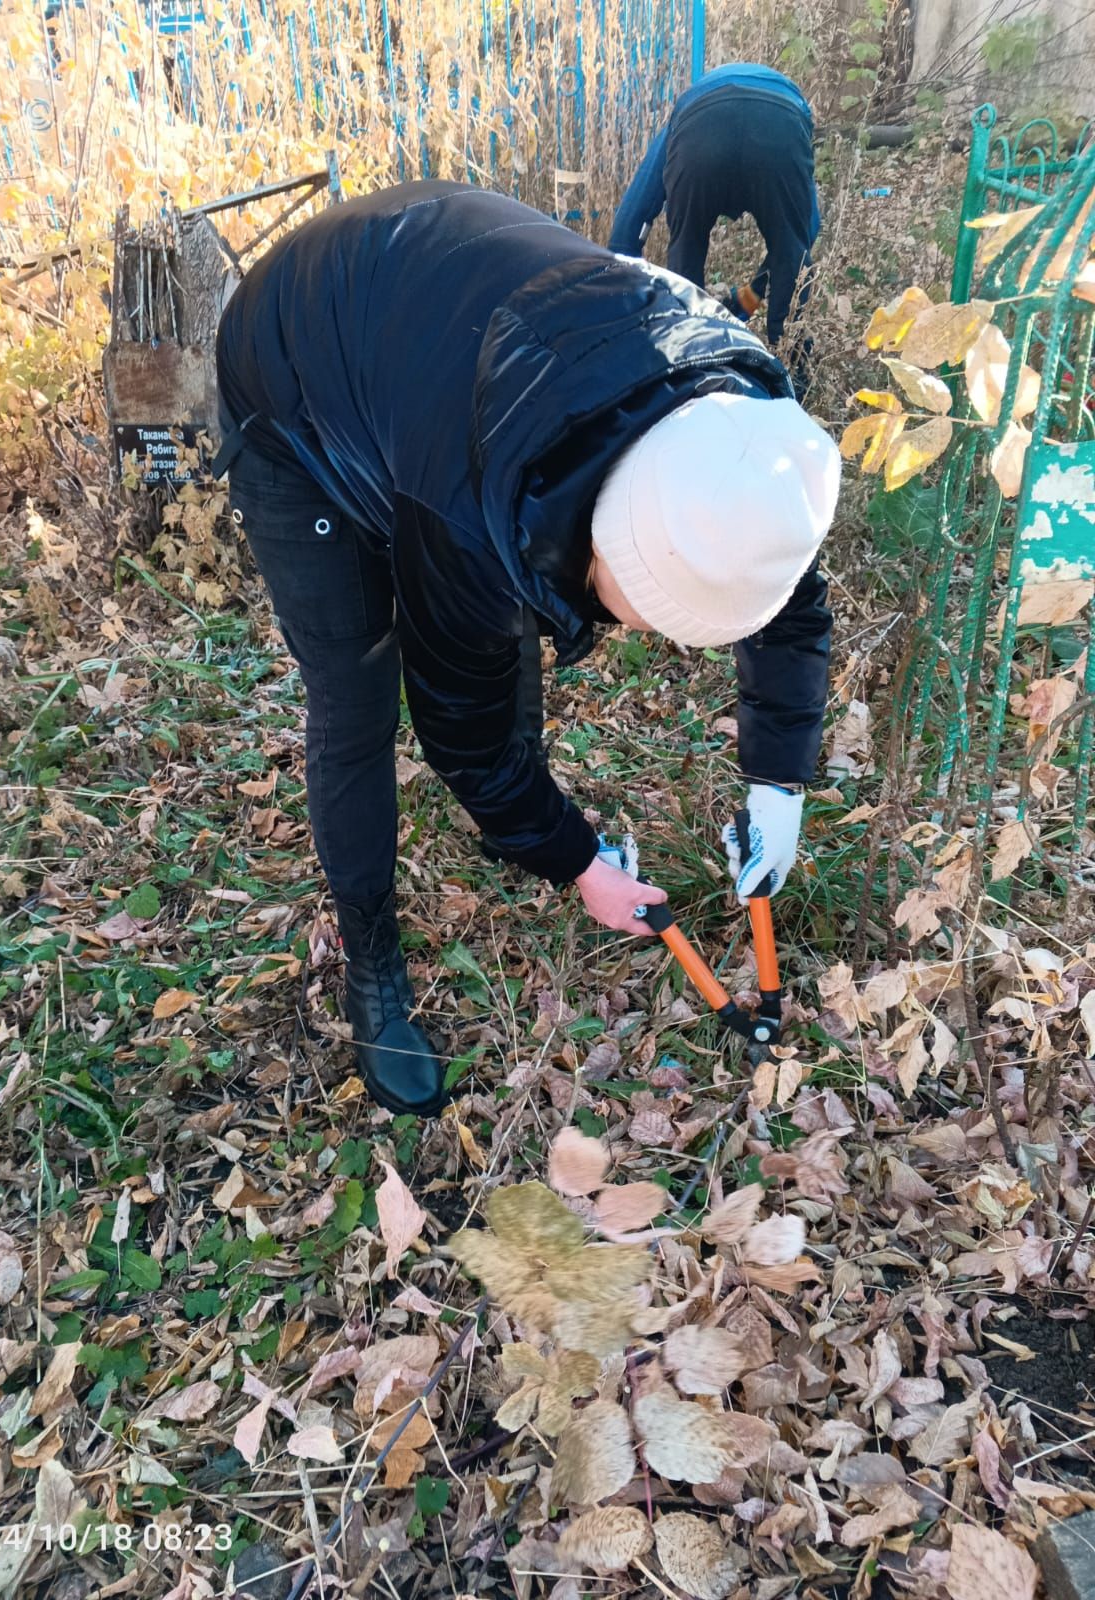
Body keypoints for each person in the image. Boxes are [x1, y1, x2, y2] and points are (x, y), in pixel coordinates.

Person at [214, 180, 839, 1119]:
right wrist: (585, 866)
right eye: (637, 606)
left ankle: (528, 827)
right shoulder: (471, 511)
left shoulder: (742, 435)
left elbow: (781, 595)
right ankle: (371, 954)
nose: (635, 630)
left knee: (503, 607)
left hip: (432, 348)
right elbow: (457, 728)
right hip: (295, 374)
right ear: (602, 535)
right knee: (357, 693)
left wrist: (777, 784)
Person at [609, 63, 820, 385]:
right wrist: (760, 290)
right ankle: (793, 385)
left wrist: (624, 322)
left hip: (700, 128)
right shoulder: (789, 109)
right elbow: (807, 230)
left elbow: (628, 227)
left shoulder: (680, 119)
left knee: (686, 250)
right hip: (781, 123)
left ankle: (686, 374)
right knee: (792, 252)